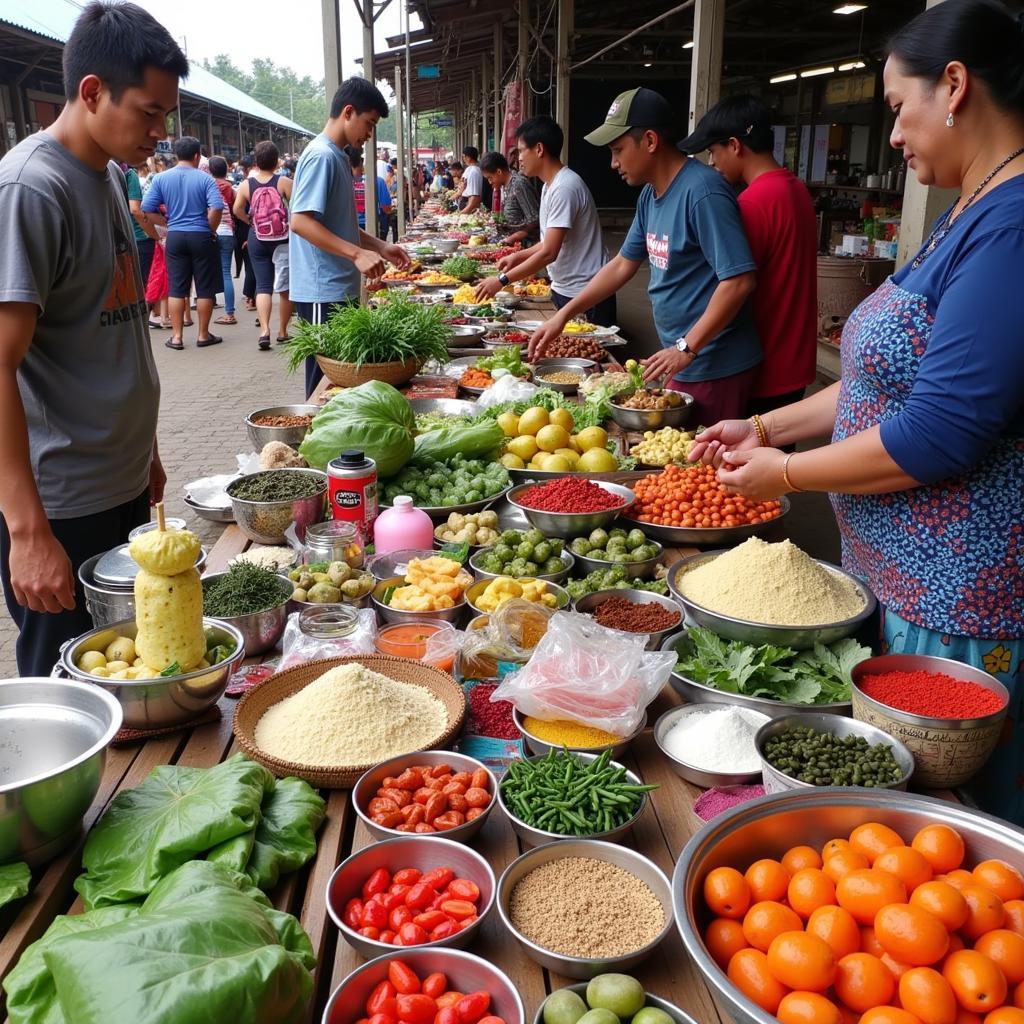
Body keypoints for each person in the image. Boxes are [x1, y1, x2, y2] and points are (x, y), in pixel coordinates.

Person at [692, 0, 1024, 824]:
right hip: (898, 586)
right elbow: (885, 380)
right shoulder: (967, 210)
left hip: (957, 612)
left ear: (954, 86)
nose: (897, 134)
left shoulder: (1012, 228)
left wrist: (788, 475)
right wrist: (768, 428)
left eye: (897, 109)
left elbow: (939, 430)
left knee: (946, 834)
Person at [0, 0, 183, 677]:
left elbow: (122, 330)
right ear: (91, 91)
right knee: (71, 687)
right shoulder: (30, 189)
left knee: (137, 669)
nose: (159, 132)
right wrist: (27, 534)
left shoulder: (109, 176)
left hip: (124, 482)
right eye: (149, 111)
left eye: (166, 114)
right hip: (62, 503)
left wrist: (150, 453)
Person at [525, 90, 759, 423]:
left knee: (705, 465)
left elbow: (739, 280)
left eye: (618, 150)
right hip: (682, 357)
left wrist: (686, 348)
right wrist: (564, 316)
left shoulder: (702, 192)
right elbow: (622, 264)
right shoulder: (651, 195)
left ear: (649, 140)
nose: (613, 163)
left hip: (714, 362)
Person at [684, 94, 818, 418]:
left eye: (713, 152)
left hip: (765, 363)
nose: (712, 163)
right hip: (796, 358)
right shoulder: (796, 189)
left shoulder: (752, 203)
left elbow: (734, 284)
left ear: (735, 145)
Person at [289, 77, 410, 397]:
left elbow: (338, 223)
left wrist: (380, 246)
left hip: (336, 288)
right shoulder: (321, 156)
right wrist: (356, 254)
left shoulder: (338, 156)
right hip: (321, 290)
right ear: (347, 112)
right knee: (323, 384)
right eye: (368, 123)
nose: (369, 134)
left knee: (338, 381)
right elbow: (300, 221)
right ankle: (314, 446)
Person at [476, 116, 613, 326]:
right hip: (566, 288)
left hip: (586, 293)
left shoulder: (564, 188)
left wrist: (502, 280)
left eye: (521, 150)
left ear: (539, 149)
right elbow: (548, 242)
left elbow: (550, 252)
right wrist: (518, 257)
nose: (518, 158)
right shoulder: (550, 187)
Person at [141, 135, 224, 349]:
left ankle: (177, 337)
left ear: (177, 154)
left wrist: (166, 223)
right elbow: (217, 207)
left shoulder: (160, 178)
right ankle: (203, 335)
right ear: (197, 155)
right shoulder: (206, 179)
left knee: (177, 288)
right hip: (200, 236)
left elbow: (146, 209)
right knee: (204, 287)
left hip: (175, 237)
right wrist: (210, 229)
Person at [233, 140, 292, 349]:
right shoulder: (284, 182)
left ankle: (264, 330)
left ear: (255, 162)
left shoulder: (246, 185)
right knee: (285, 288)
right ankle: (283, 332)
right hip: (282, 240)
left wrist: (251, 221)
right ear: (277, 162)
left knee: (263, 286)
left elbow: (237, 209)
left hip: (257, 238)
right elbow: (296, 209)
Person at [479, 151, 539, 246]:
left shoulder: (519, 184)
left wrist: (513, 238)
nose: (489, 182)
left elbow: (534, 219)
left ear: (499, 172)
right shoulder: (506, 186)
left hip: (527, 245)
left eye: (490, 178)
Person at [208, 155, 237, 326]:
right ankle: (229, 312)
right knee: (226, 272)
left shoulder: (208, 186)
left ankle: (207, 304)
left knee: (206, 272)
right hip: (228, 232)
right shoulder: (230, 188)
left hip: (212, 232)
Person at [348, 146, 391, 233]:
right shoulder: (378, 181)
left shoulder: (344, 183)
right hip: (373, 226)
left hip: (351, 226)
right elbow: (386, 207)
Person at [459, 145, 484, 213]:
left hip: (469, 209)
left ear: (468, 157)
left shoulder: (474, 171)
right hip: (465, 205)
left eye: (464, 156)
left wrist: (461, 214)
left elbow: (474, 198)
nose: (463, 159)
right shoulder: (469, 169)